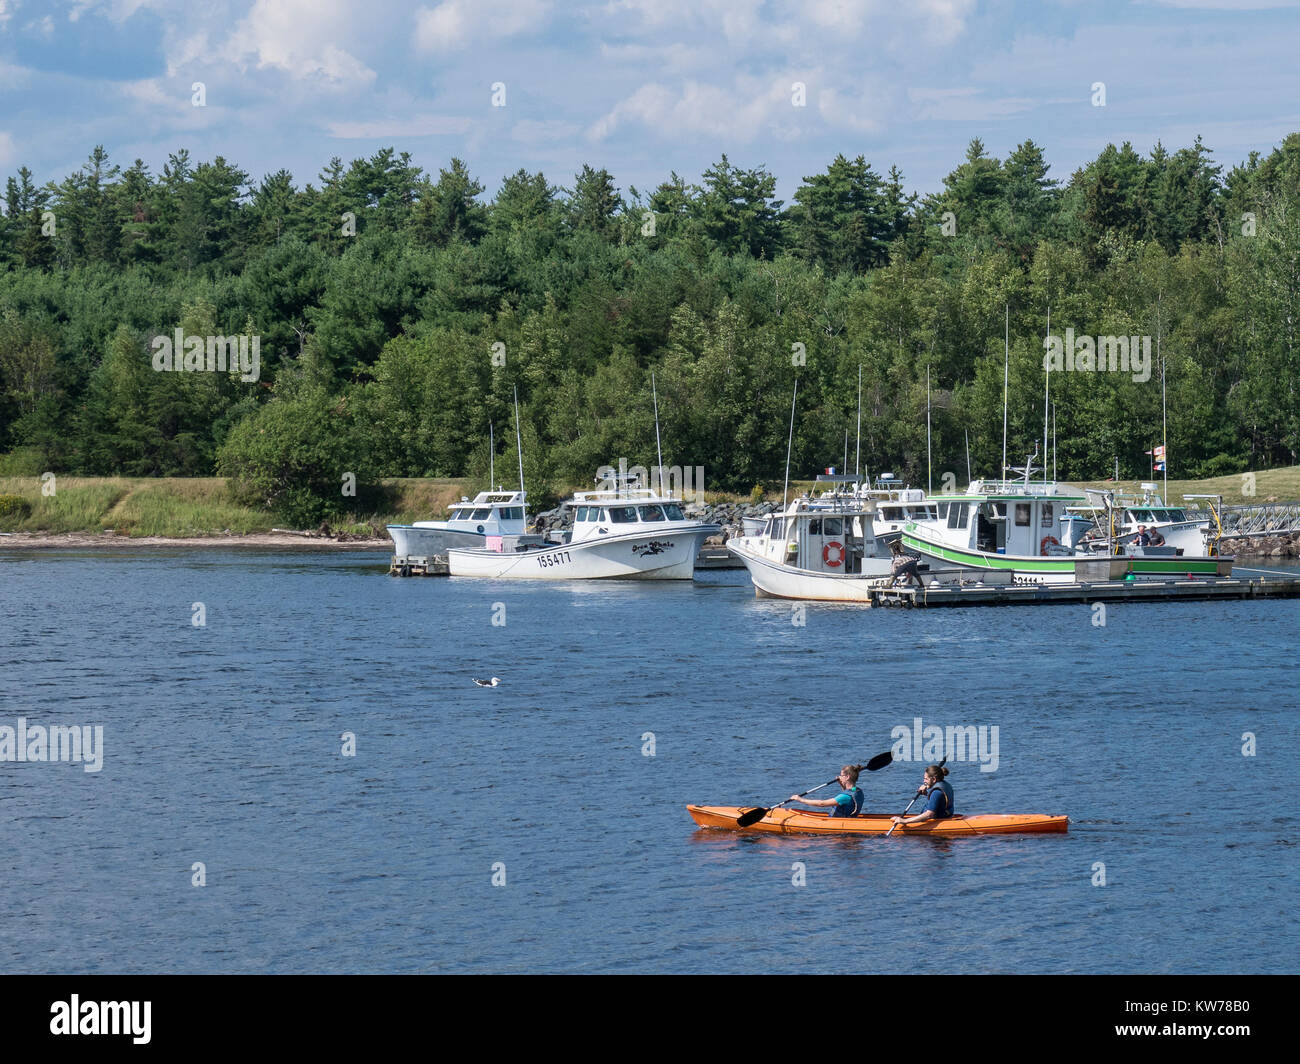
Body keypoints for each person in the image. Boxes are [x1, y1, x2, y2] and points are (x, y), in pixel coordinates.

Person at [789, 765, 865, 818]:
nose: (839, 777)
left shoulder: (845, 797)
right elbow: (848, 801)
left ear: (847, 777)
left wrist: (800, 799)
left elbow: (821, 803)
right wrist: (841, 784)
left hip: (839, 822)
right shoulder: (858, 791)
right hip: (848, 819)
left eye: (841, 775)